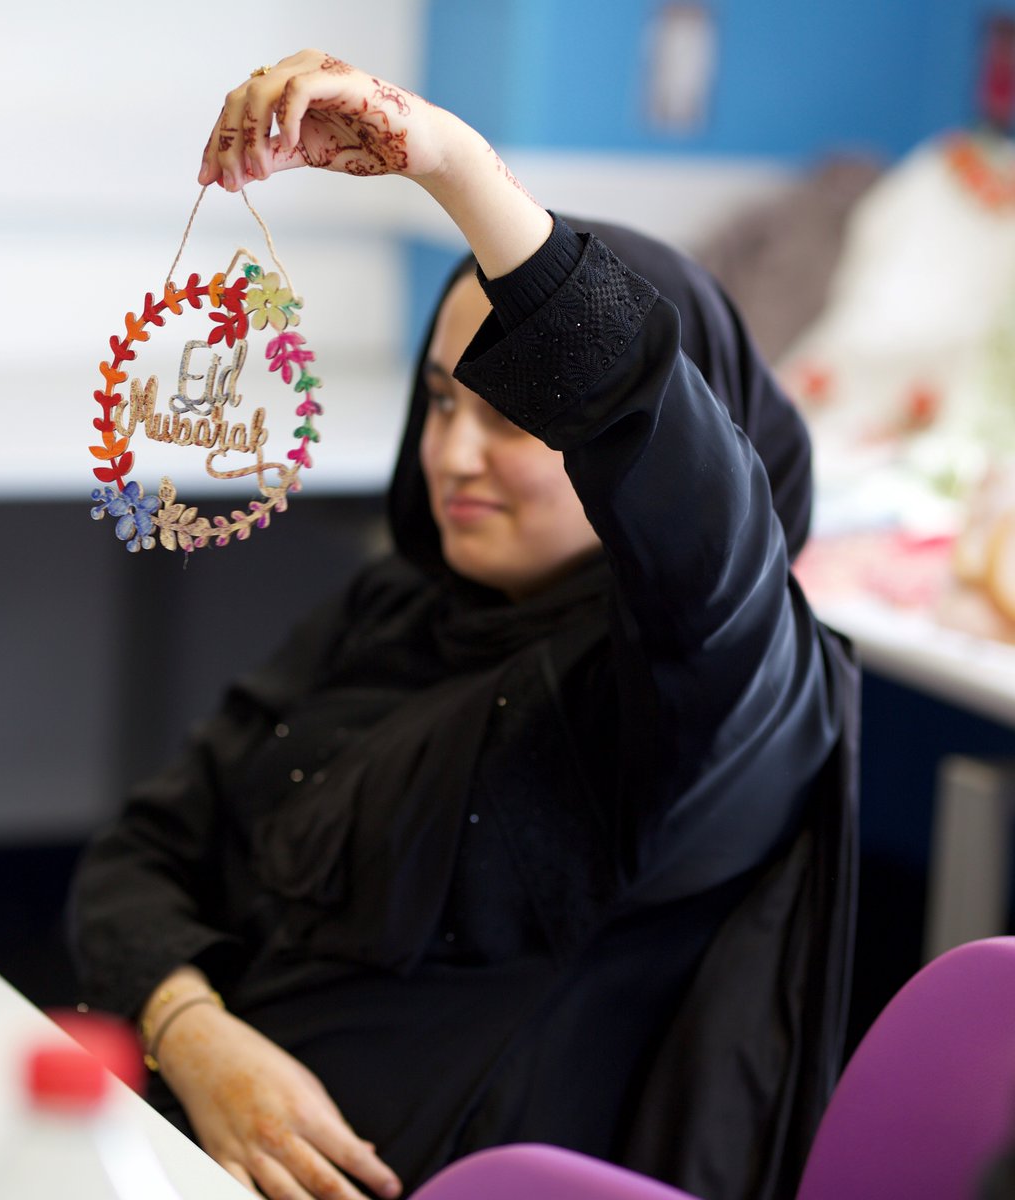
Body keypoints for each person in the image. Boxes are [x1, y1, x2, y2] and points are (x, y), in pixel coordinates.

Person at [69, 49, 859, 1200]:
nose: (451, 454)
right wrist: (197, 1036)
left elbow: (675, 483)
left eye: (518, 420)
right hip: (172, 1135)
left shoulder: (717, 697)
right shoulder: (398, 611)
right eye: (439, 402)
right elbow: (138, 859)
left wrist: (452, 170)